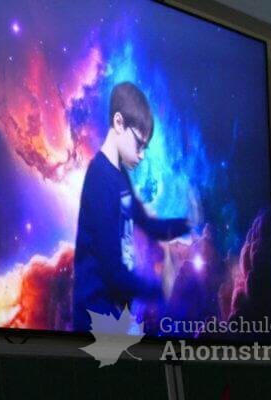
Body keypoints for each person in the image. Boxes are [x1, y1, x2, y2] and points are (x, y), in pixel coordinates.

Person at [73, 82, 190, 332]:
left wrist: (188, 223)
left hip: (114, 315)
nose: (142, 155)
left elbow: (148, 225)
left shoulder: (120, 176)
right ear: (119, 123)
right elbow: (112, 272)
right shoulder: (100, 178)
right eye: (139, 144)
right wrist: (160, 289)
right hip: (94, 319)